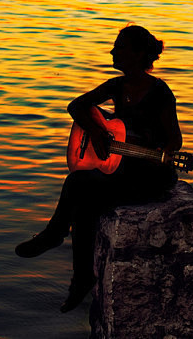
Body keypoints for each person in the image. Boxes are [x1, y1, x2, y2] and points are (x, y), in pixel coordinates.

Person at [15, 25, 182, 312]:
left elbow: (175, 141)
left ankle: (60, 244)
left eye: (120, 47)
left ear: (138, 54)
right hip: (120, 168)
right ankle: (79, 276)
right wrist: (95, 131)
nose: (112, 51)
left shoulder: (160, 92)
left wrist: (153, 147)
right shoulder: (116, 85)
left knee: (81, 187)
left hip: (149, 174)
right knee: (84, 194)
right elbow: (77, 105)